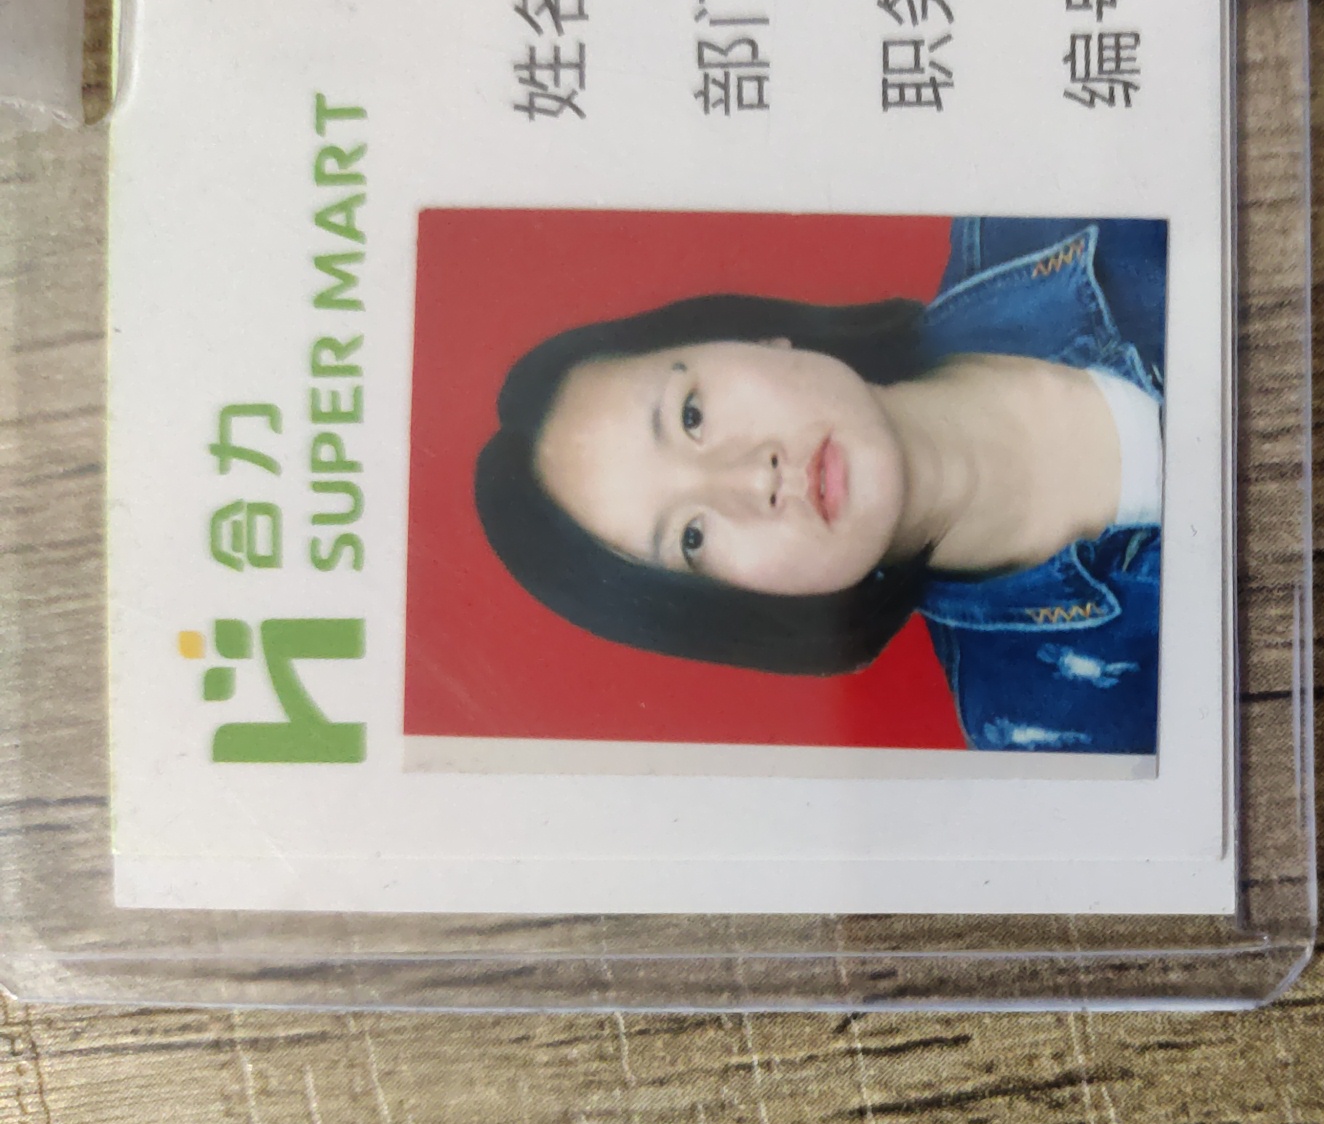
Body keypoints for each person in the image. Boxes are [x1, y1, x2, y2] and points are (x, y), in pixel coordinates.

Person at [474, 216, 1166, 753]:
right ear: (738, 608)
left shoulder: (1038, 201)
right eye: (692, 538)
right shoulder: (1049, 732)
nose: (752, 476)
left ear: (753, 336)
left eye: (691, 416)